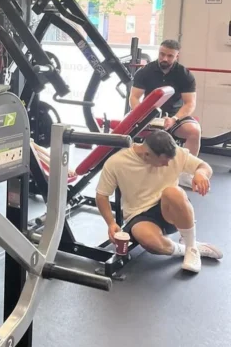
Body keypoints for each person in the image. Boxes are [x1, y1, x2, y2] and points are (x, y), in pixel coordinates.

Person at [95, 130, 222, 274]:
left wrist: (200, 173)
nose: (168, 164)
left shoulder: (175, 154)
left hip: (170, 209)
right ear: (147, 154)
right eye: (163, 161)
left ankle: (191, 247)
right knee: (149, 241)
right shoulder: (117, 162)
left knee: (173, 192)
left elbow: (204, 166)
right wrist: (111, 223)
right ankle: (186, 249)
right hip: (139, 214)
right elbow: (101, 196)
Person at [129, 39, 201, 159]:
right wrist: (142, 115)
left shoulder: (184, 75)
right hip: (148, 114)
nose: (165, 58)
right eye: (162, 54)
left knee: (194, 132)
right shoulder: (145, 71)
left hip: (174, 116)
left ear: (177, 56)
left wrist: (174, 119)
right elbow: (134, 97)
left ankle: (187, 171)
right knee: (124, 131)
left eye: (170, 56)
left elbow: (190, 103)